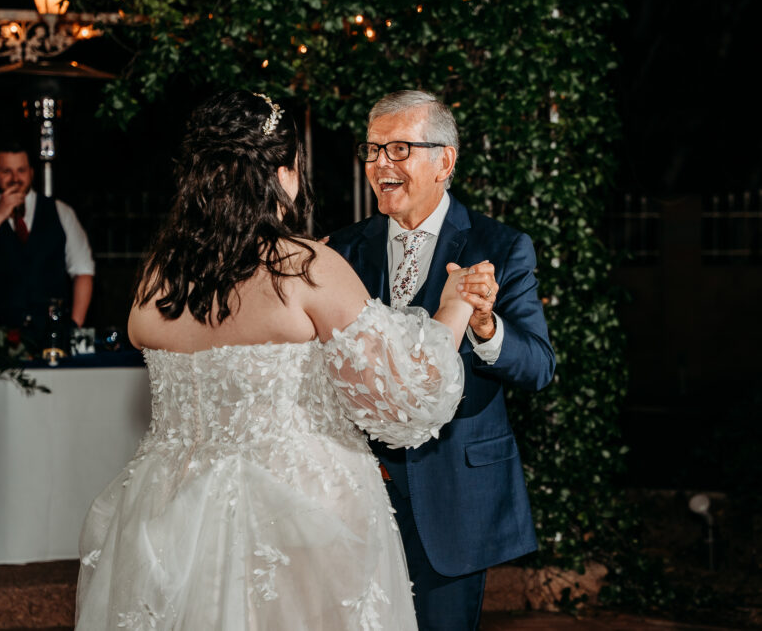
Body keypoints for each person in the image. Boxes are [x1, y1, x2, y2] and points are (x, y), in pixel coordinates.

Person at [74, 91, 483, 629]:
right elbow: (406, 395)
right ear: (285, 173)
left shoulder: (159, 276)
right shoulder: (304, 266)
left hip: (165, 510)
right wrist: (453, 309)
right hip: (298, 515)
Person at [327, 90, 556, 631]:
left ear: (445, 161)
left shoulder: (499, 245)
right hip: (357, 487)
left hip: (453, 490)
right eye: (373, 149)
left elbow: (539, 366)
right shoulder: (341, 249)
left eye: (399, 149)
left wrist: (485, 328)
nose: (380, 163)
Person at [0, 141, 94, 328]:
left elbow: (83, 271)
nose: (15, 178)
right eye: (6, 171)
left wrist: (74, 326)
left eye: (21, 170)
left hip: (48, 331)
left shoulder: (60, 211)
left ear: (31, 173)